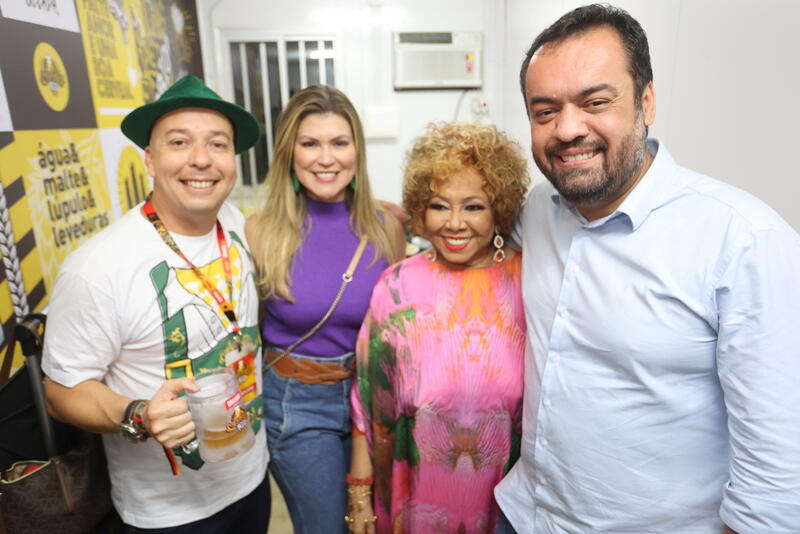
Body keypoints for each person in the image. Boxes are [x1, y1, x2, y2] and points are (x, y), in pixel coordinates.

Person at [495, 4, 800, 533]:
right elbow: (465, 235)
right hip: (524, 516)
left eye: (596, 102)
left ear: (646, 101)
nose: (568, 129)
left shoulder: (744, 242)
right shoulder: (537, 210)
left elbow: (778, 477)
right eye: (545, 112)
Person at [41, 75, 270, 533]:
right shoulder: (97, 268)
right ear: (150, 158)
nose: (201, 159)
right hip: (168, 514)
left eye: (218, 144)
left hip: (251, 480)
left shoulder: (236, 223)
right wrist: (138, 414)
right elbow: (60, 392)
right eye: (179, 142)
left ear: (233, 160)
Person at [347, 122, 530, 534]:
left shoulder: (528, 282)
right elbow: (369, 404)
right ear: (420, 210)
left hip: (506, 505)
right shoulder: (396, 288)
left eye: (474, 206)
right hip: (415, 501)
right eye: (439, 205)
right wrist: (359, 495)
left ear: (499, 208)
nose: (454, 223)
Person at [245, 85, 405, 534]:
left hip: (373, 402)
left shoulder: (387, 225)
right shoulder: (260, 232)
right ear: (289, 153)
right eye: (310, 143)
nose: (326, 158)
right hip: (298, 405)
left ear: (357, 150)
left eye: (339, 142)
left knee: (378, 524)